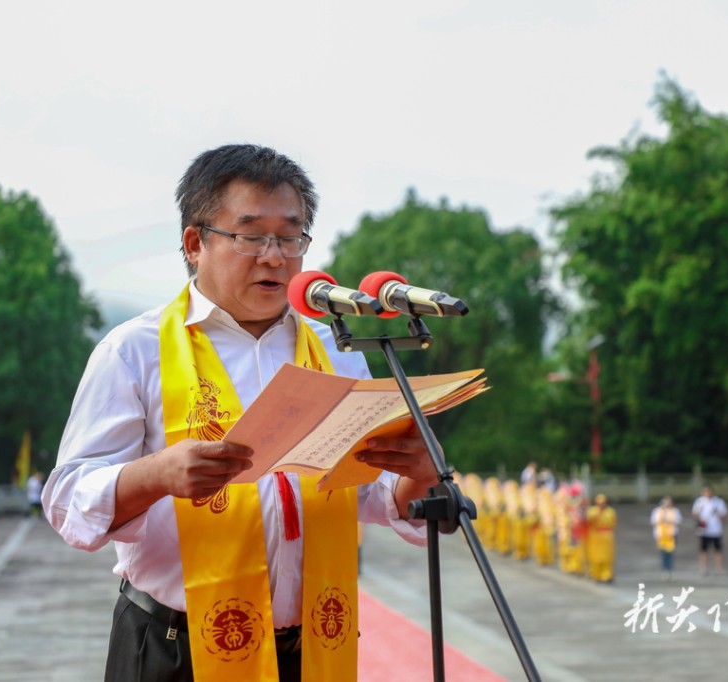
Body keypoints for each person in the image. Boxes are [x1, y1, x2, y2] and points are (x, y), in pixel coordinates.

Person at [42, 144, 436, 682]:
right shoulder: (135, 351)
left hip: (314, 649)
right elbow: (67, 500)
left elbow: (365, 491)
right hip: (178, 650)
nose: (275, 256)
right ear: (194, 242)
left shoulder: (332, 347)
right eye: (251, 235)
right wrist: (156, 475)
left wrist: (417, 475)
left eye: (291, 236)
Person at [692, 485, 727, 576]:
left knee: (718, 550)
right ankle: (703, 568)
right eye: (705, 492)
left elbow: (724, 514)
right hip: (704, 529)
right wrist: (698, 513)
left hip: (716, 529)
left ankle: (719, 568)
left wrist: (718, 512)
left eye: (709, 491)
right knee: (703, 550)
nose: (707, 493)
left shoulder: (718, 502)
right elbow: (694, 514)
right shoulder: (699, 502)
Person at [585, 493, 616, 583]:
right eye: (599, 503)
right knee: (596, 557)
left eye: (603, 502)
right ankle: (596, 575)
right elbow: (589, 521)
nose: (601, 505)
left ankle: (607, 575)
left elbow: (613, 523)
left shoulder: (611, 511)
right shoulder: (592, 511)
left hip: (607, 536)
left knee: (607, 557)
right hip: (595, 536)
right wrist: (598, 513)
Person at [650, 496, 682, 580]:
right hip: (661, 535)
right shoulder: (657, 511)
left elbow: (678, 522)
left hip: (671, 535)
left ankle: (670, 569)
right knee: (663, 553)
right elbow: (653, 522)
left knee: (670, 553)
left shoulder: (675, 511)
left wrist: (670, 521)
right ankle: (664, 570)